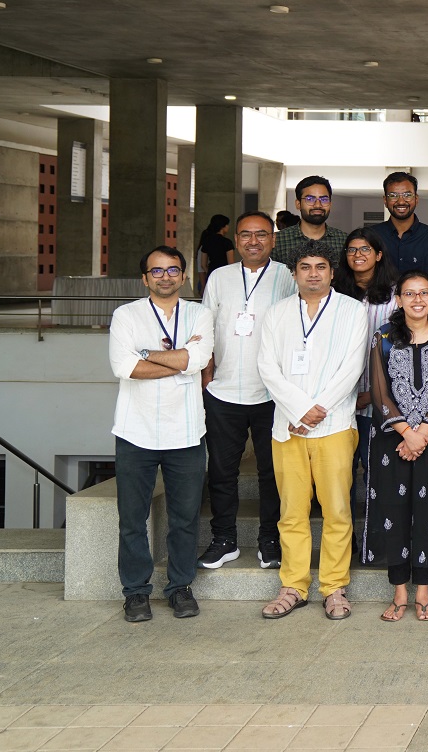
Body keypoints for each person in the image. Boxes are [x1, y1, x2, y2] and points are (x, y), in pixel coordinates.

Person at [256, 242, 370, 621]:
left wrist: (315, 411)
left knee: (337, 510)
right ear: (294, 273)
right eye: (305, 267)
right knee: (291, 511)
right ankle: (294, 585)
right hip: (287, 427)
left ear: (333, 272)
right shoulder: (276, 314)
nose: (313, 273)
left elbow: (352, 369)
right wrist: (300, 410)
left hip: (335, 425)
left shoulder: (353, 311)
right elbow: (267, 368)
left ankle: (334, 587)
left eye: (321, 266)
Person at [108, 246, 214, 622]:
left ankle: (180, 587)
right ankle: (135, 593)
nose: (165, 276)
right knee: (132, 518)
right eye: (157, 271)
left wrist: (148, 353)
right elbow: (124, 366)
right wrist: (180, 361)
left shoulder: (200, 313)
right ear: (145, 278)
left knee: (184, 518)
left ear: (184, 276)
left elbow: (199, 360)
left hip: (185, 432)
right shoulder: (127, 314)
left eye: (172, 270)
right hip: (135, 431)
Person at [198, 212, 297, 572]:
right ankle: (224, 540)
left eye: (261, 235)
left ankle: (270, 540)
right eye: (245, 235)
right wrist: (207, 379)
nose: (253, 241)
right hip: (223, 392)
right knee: (222, 471)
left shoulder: (287, 276)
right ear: (236, 240)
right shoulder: (219, 278)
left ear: (272, 239)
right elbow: (205, 330)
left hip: (272, 395)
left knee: (273, 472)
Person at [362, 272, 428, 622]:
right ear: (399, 300)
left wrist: (422, 434)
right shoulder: (383, 337)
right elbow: (379, 391)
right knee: (394, 510)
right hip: (392, 439)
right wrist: (406, 431)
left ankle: (423, 591)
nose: (417, 299)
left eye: (423, 293)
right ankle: (399, 590)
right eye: (409, 293)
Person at [335, 226, 400, 486]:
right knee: (339, 475)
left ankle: (378, 528)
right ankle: (345, 528)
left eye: (365, 249)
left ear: (379, 255)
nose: (357, 254)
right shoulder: (334, 293)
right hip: (338, 400)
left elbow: (401, 352)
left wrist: (372, 392)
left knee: (378, 474)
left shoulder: (396, 296)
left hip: (380, 401)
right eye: (352, 249)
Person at [377, 171, 428, 281]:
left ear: (416, 199)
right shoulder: (371, 236)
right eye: (393, 195)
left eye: (408, 195)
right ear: (385, 200)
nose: (401, 201)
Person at [273, 174, 347, 269]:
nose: (317, 205)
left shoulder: (344, 240)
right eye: (310, 199)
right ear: (298, 204)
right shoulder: (278, 241)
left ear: (330, 204)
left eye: (324, 199)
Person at [196, 214, 234, 294]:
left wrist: (211, 272)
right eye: (227, 225)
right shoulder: (227, 242)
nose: (228, 227)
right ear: (223, 227)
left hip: (211, 274)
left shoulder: (206, 242)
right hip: (224, 276)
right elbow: (231, 264)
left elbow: (203, 264)